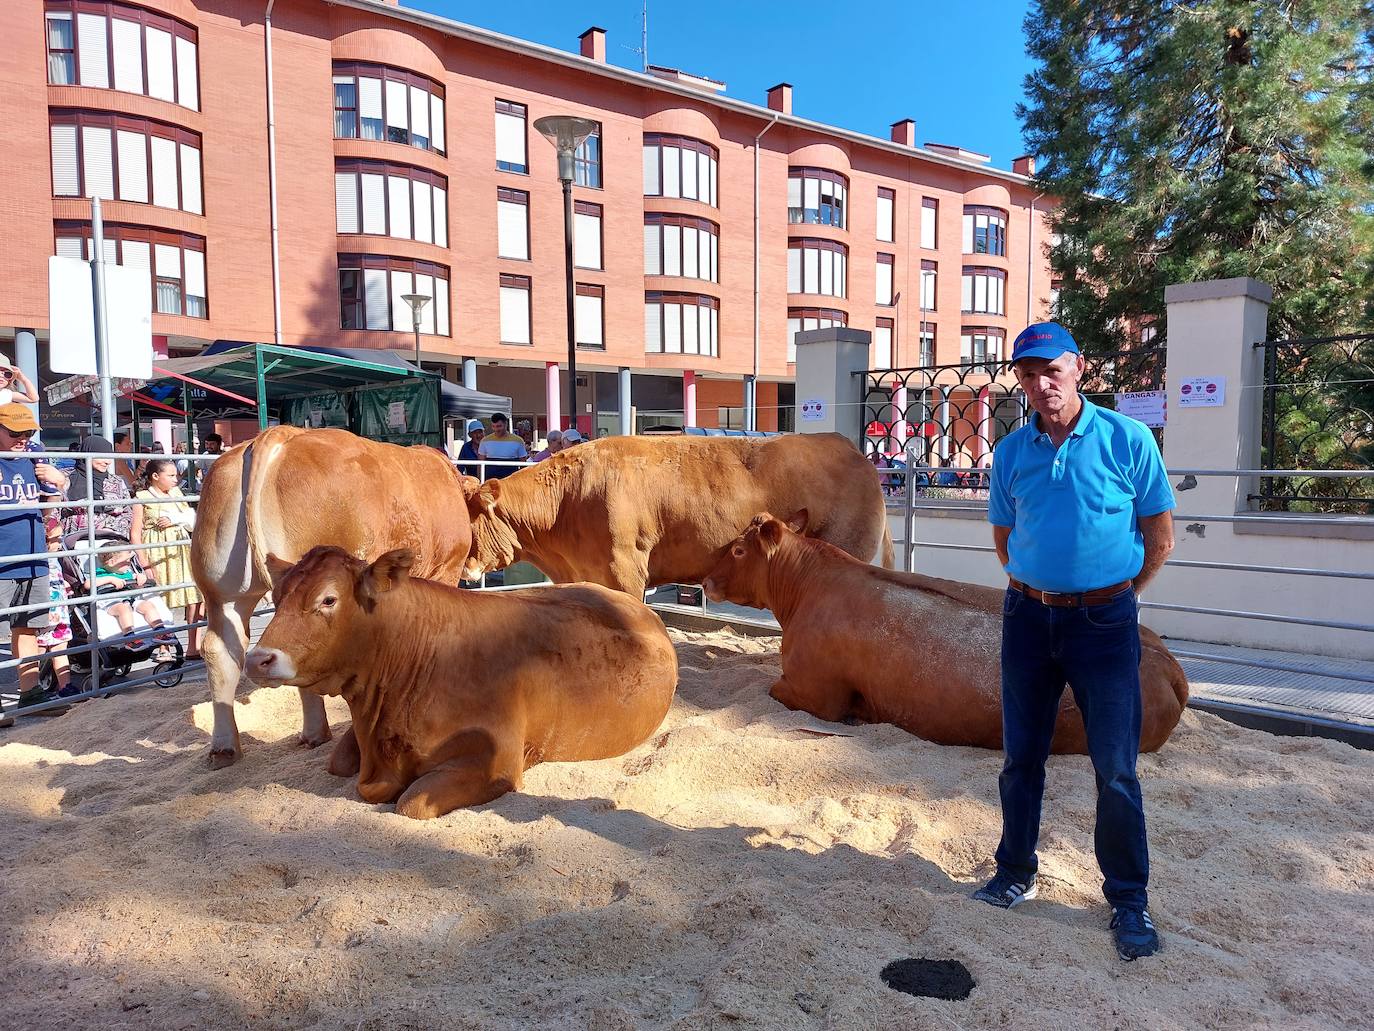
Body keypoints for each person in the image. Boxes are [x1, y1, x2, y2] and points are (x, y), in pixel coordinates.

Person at [972, 322, 1175, 963]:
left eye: (1050, 371)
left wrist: (1116, 597)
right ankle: (1014, 872)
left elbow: (1160, 537)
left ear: (1077, 368)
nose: (1039, 385)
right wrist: (1042, 589)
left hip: (1106, 625)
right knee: (1019, 758)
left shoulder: (1128, 439)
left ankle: (1128, 902)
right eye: (1027, 374)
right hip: (1029, 620)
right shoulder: (1010, 453)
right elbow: (1006, 543)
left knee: (1115, 768)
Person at [0, 403, 70, 716]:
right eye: (15, 432)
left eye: (27, 431)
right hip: (3, 557)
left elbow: (51, 502)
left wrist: (60, 482)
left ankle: (30, 694)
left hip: (34, 554)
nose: (23, 438)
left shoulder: (36, 453)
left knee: (28, 627)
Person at [131, 458, 201, 661]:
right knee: (160, 599)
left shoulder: (177, 494)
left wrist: (176, 520)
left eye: (175, 475)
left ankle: (193, 646)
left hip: (180, 549)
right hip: (157, 551)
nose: (175, 479)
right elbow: (135, 533)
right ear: (155, 476)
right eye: (170, 475)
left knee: (194, 596)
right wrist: (144, 563)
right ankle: (164, 647)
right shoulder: (141, 497)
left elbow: (191, 519)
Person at [88, 548, 175, 656]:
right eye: (127, 560)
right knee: (123, 609)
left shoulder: (127, 572)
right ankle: (130, 637)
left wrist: (139, 577)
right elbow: (87, 584)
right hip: (110, 602)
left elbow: (135, 581)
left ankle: (160, 630)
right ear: (111, 562)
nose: (130, 563)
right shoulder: (100, 573)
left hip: (131, 599)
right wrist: (110, 580)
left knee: (147, 605)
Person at [64, 436, 133, 539]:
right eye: (102, 456)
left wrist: (110, 528)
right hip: (75, 541)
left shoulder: (116, 481)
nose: (108, 462)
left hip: (111, 541)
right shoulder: (66, 478)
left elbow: (128, 512)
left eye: (109, 457)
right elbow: (55, 511)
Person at [477, 413, 528, 479]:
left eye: (499, 426)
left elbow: (523, 464)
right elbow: (480, 463)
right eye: (493, 426)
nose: (496, 429)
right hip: (491, 481)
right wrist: (479, 480)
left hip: (510, 482)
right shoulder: (484, 441)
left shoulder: (518, 441)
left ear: (506, 424)